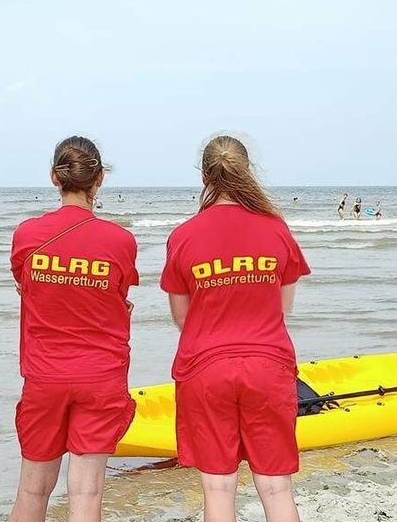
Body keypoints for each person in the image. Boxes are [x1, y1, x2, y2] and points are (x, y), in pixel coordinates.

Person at [161, 135, 309, 522]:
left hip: (206, 368)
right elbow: (283, 306)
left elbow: (182, 316)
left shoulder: (183, 236)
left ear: (205, 177)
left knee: (218, 488)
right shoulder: (276, 229)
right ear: (246, 171)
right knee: (276, 488)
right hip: (267, 365)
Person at [9, 136, 138, 522]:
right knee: (86, 491)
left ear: (54, 177)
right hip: (100, 375)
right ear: (98, 180)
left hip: (45, 374)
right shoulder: (121, 240)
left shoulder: (27, 235)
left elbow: (25, 285)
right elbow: (116, 294)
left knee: (33, 489)